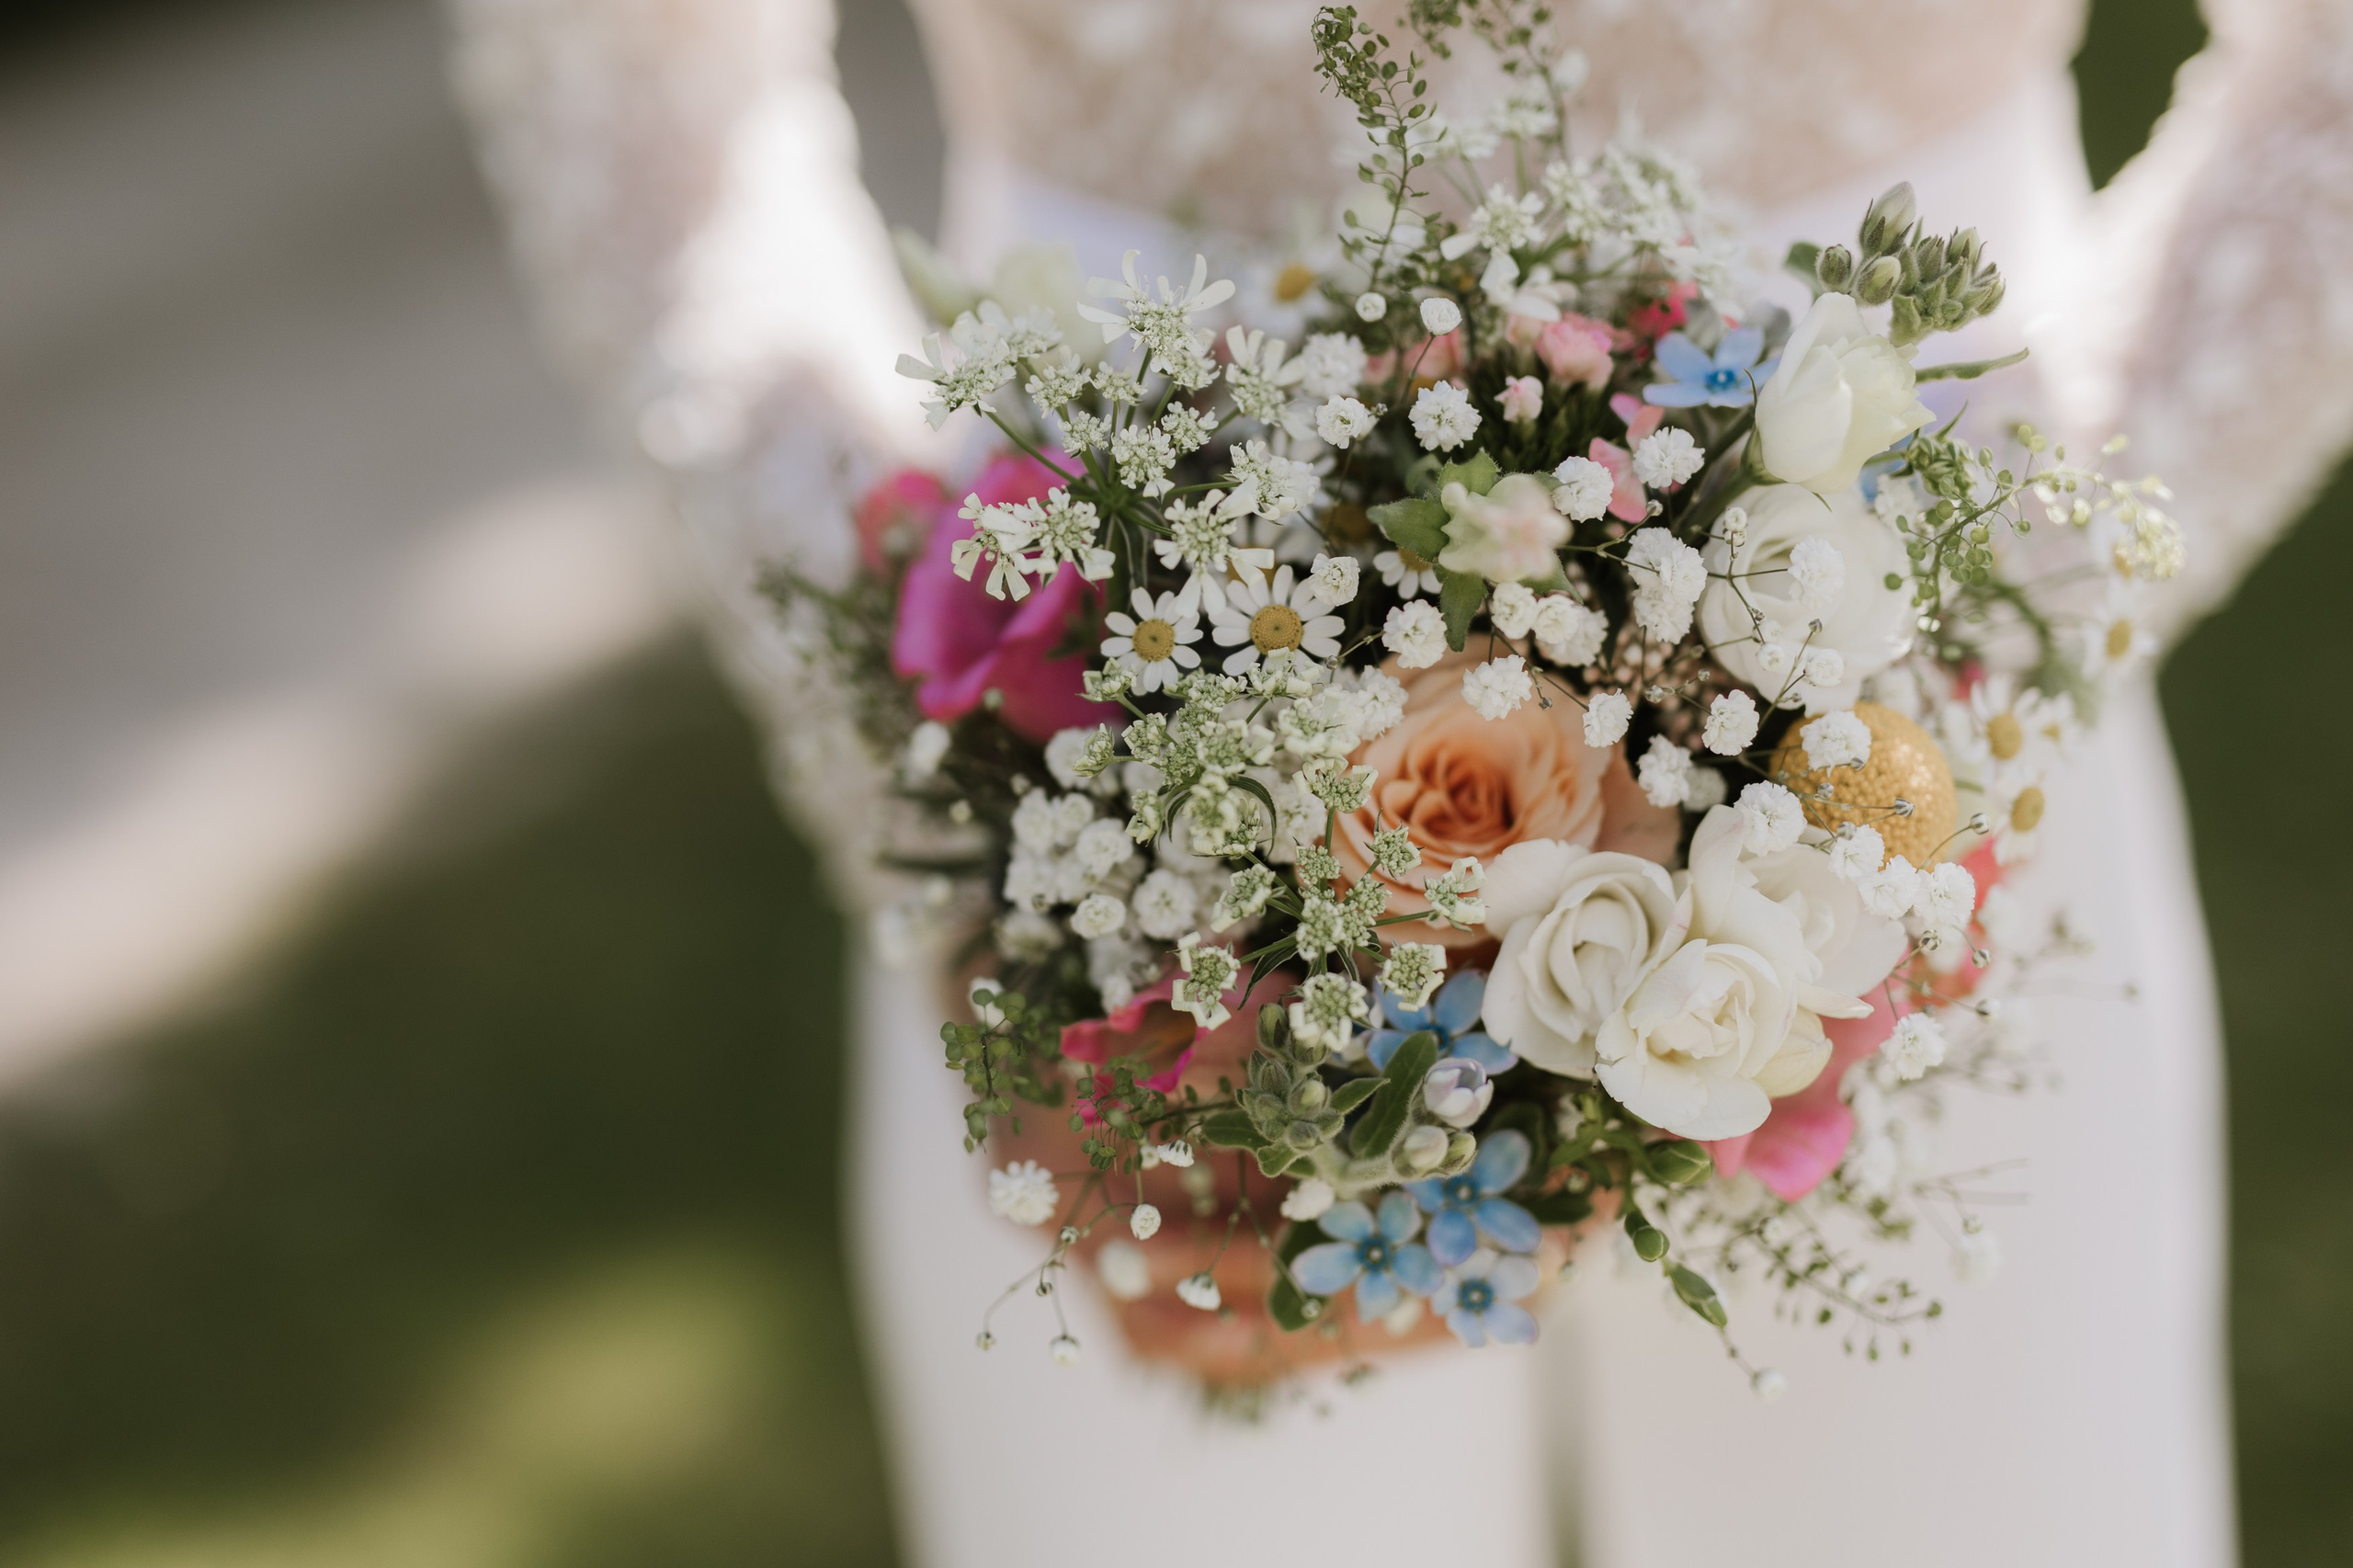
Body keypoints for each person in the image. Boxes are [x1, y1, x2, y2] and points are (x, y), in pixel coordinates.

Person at [449, 2, 2353, 1562]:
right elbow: (627, 85)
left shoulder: (1916, 725)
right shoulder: (1063, 849)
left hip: (1906, 804)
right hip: (1112, 852)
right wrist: (959, 775)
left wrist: (1941, 666)